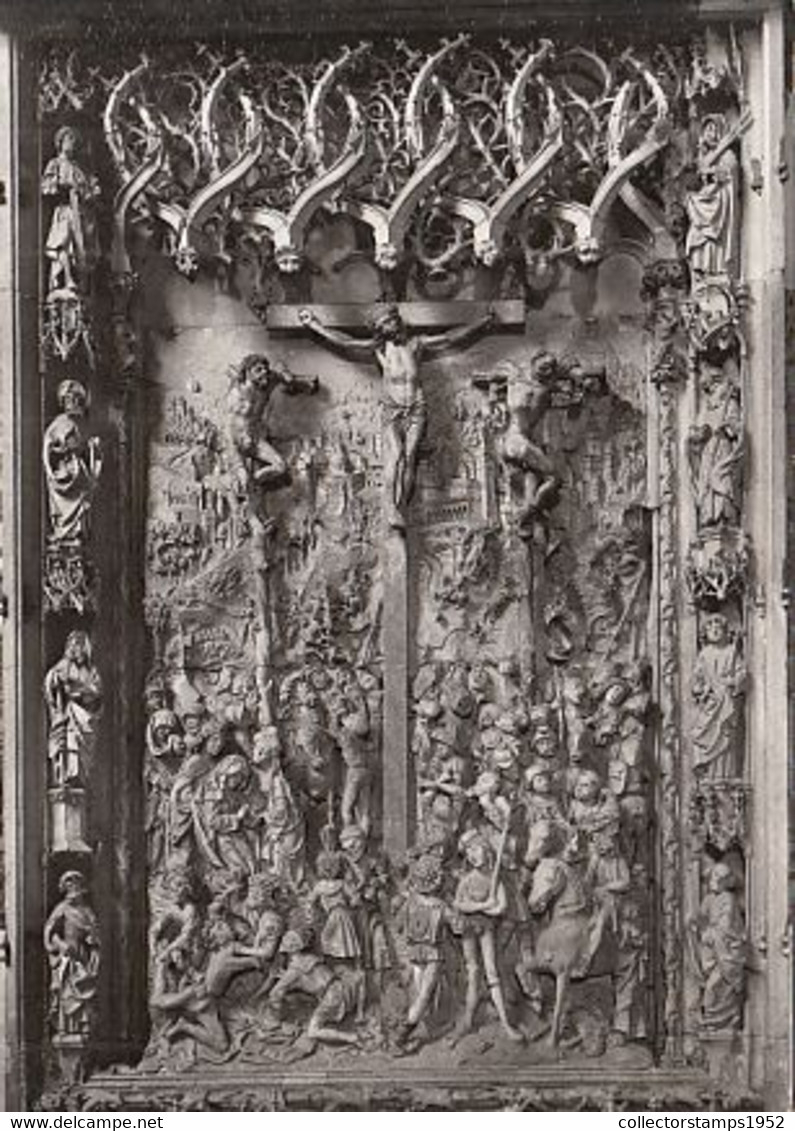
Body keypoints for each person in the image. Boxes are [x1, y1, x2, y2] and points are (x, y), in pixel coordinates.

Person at [299, 303, 496, 529]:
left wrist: (481, 322)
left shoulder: (415, 345)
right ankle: (390, 507)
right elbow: (346, 342)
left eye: (391, 320)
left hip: (416, 406)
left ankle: (400, 505)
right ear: (379, 329)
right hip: (393, 407)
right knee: (396, 456)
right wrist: (315, 325)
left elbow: (449, 338)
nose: (390, 325)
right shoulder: (379, 349)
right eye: (384, 324)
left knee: (410, 457)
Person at [450, 829, 524, 1045]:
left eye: (477, 849)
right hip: (468, 930)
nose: (473, 855)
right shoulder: (467, 879)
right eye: (469, 851)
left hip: (487, 929)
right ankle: (467, 1021)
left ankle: (506, 1024)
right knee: (473, 971)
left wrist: (490, 910)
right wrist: (482, 906)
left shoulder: (495, 879)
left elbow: (501, 907)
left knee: (491, 972)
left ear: (488, 852)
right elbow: (458, 903)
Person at [43, 871, 100, 1038]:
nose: (74, 890)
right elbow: (50, 931)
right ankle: (64, 1028)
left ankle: (82, 1028)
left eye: (76, 885)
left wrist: (92, 939)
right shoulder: (62, 909)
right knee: (67, 992)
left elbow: (96, 933)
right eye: (70, 885)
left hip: (82, 957)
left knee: (82, 992)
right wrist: (60, 945)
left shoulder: (87, 912)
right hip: (67, 957)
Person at [44, 630, 103, 788]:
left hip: (85, 716)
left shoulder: (91, 671)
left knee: (81, 749)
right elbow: (52, 682)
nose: (75, 649)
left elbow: (97, 692)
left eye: (79, 645)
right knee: (69, 744)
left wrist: (80, 690)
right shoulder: (63, 667)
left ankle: (81, 779)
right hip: (68, 716)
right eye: (72, 645)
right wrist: (56, 681)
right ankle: (66, 776)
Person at [691, 613, 746, 779]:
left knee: (726, 740)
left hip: (727, 704)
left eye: (718, 628)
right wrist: (701, 690)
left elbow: (741, 674)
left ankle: (726, 778)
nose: (714, 630)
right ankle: (707, 778)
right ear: (705, 633)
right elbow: (697, 681)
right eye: (710, 628)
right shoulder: (704, 654)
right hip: (710, 705)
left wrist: (732, 681)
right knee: (705, 738)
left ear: (725, 631)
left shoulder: (732, 652)